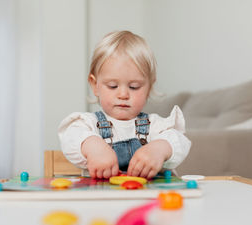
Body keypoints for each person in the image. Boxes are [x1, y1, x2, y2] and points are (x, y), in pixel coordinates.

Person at [58, 30, 191, 179]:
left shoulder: (155, 125)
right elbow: (70, 138)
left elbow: (181, 142)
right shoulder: (89, 124)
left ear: (149, 88)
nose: (123, 95)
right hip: (103, 198)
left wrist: (159, 149)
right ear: (95, 85)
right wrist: (93, 147)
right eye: (113, 86)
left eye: (134, 87)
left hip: (149, 196)